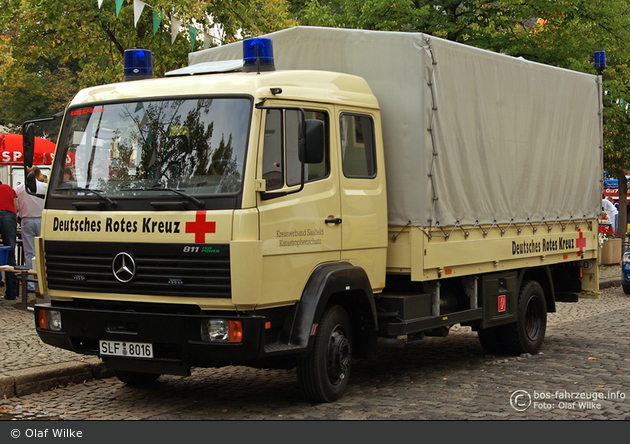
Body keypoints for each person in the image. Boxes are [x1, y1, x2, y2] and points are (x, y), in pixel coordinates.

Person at [15, 167, 47, 292]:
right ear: (38, 174)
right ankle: (42, 282)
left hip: (26, 220)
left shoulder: (19, 188)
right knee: (42, 251)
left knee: (29, 252)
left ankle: (30, 284)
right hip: (41, 220)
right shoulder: (43, 187)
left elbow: (16, 205)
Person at [0, 180, 18, 300]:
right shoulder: (8, 188)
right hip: (10, 216)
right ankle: (12, 293)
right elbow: (15, 206)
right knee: (10, 255)